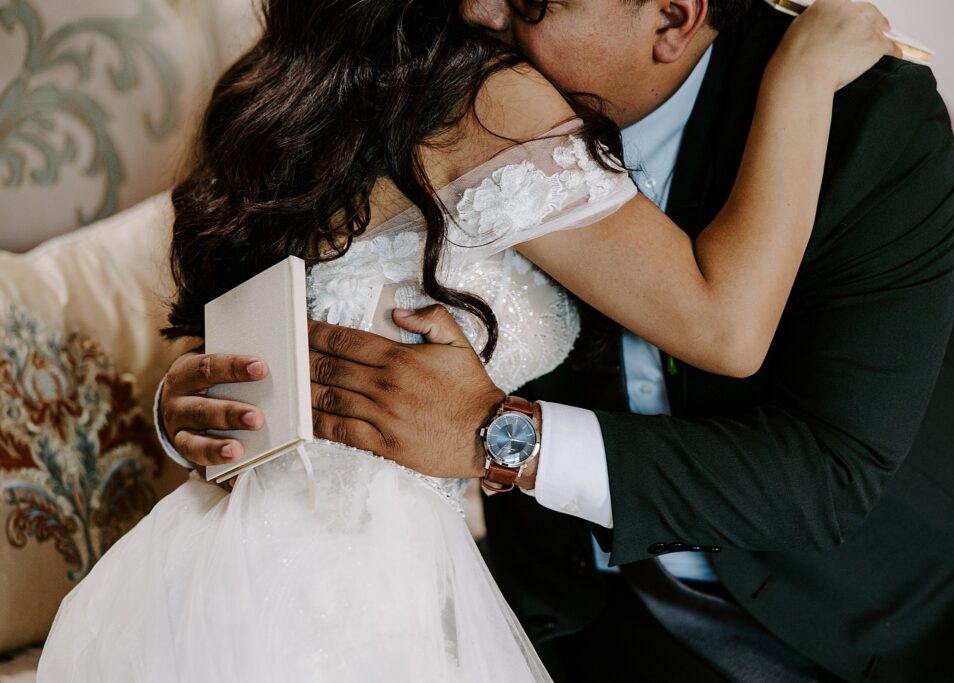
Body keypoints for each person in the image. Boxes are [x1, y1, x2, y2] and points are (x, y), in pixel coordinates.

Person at [39, 0, 902, 681]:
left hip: (211, 572)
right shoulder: (490, 98)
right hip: (367, 581)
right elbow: (722, 323)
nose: (497, 10)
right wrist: (804, 75)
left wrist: (182, 401)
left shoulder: (275, 98)